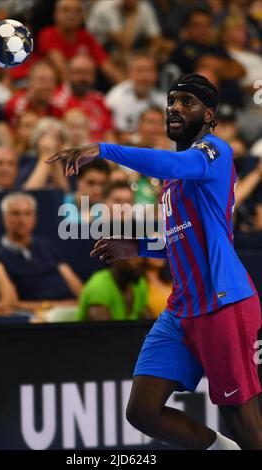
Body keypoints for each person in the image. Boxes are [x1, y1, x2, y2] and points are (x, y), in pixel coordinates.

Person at [46, 73, 262, 450]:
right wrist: (139, 248)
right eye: (172, 101)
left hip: (222, 302)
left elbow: (174, 166)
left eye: (187, 103)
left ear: (209, 115)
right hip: (182, 309)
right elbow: (180, 237)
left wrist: (104, 148)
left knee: (243, 423)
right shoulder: (173, 184)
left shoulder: (214, 151)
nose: (175, 108)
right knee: (142, 411)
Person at [77, 257, 149, 321]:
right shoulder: (99, 286)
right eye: (132, 255)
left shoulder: (139, 283)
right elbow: (105, 333)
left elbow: (149, 322)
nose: (140, 260)